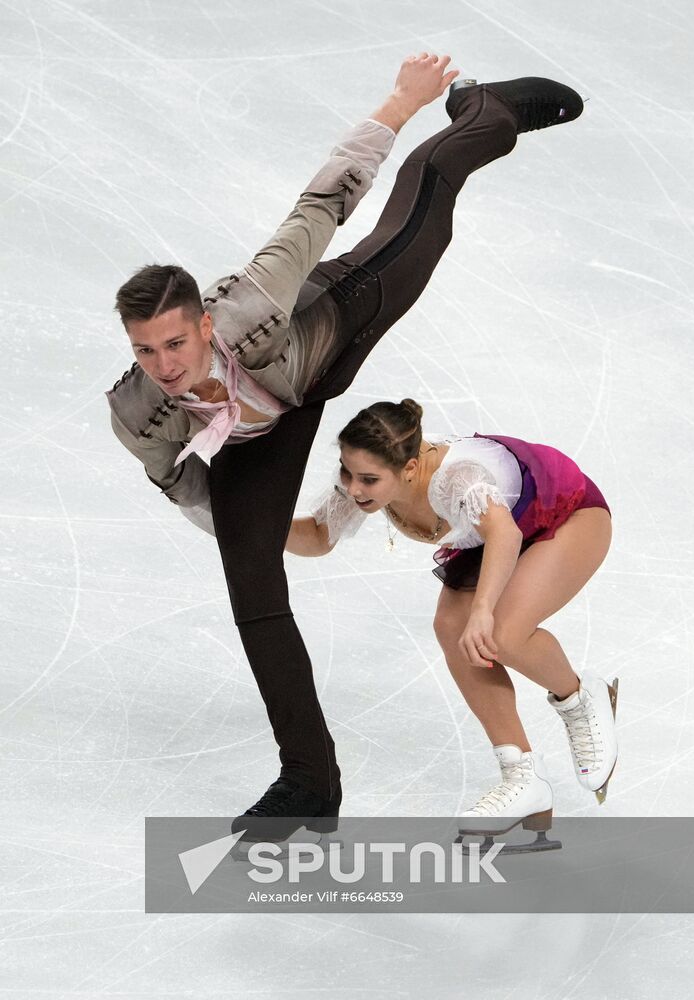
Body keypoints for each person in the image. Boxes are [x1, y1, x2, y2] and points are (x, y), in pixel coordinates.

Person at [106, 54, 585, 838]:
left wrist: (401, 102)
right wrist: (246, 532)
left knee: (425, 205)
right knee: (248, 577)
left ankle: (484, 115)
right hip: (263, 424)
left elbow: (325, 197)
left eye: (174, 344)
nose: (165, 368)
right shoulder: (139, 417)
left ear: (200, 324)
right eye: (145, 352)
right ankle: (309, 780)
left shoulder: (252, 302)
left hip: (329, 331)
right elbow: (185, 487)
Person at [287, 399, 618, 839]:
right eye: (347, 472)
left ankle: (581, 699)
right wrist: (244, 525)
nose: (353, 488)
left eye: (368, 479)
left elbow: (504, 533)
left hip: (568, 515)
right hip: (495, 533)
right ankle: (523, 778)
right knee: (450, 627)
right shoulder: (363, 482)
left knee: (500, 632)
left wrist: (482, 610)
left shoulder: (457, 481)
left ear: (409, 468)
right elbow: (318, 536)